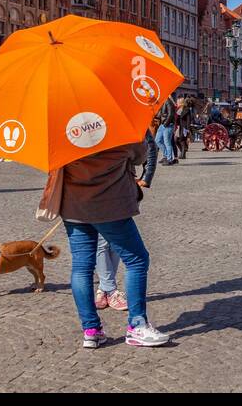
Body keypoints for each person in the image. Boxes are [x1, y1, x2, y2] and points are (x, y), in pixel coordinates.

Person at [38, 137, 169, 348]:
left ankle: (91, 330)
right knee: (137, 260)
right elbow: (140, 155)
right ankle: (137, 325)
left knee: (81, 267)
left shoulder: (61, 127)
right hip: (110, 206)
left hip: (73, 207)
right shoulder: (113, 125)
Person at [155, 92, 177, 165]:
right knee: (157, 140)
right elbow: (160, 114)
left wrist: (165, 124)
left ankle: (169, 159)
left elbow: (171, 114)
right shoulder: (162, 102)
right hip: (163, 124)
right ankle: (165, 156)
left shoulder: (168, 102)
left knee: (167, 142)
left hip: (168, 125)